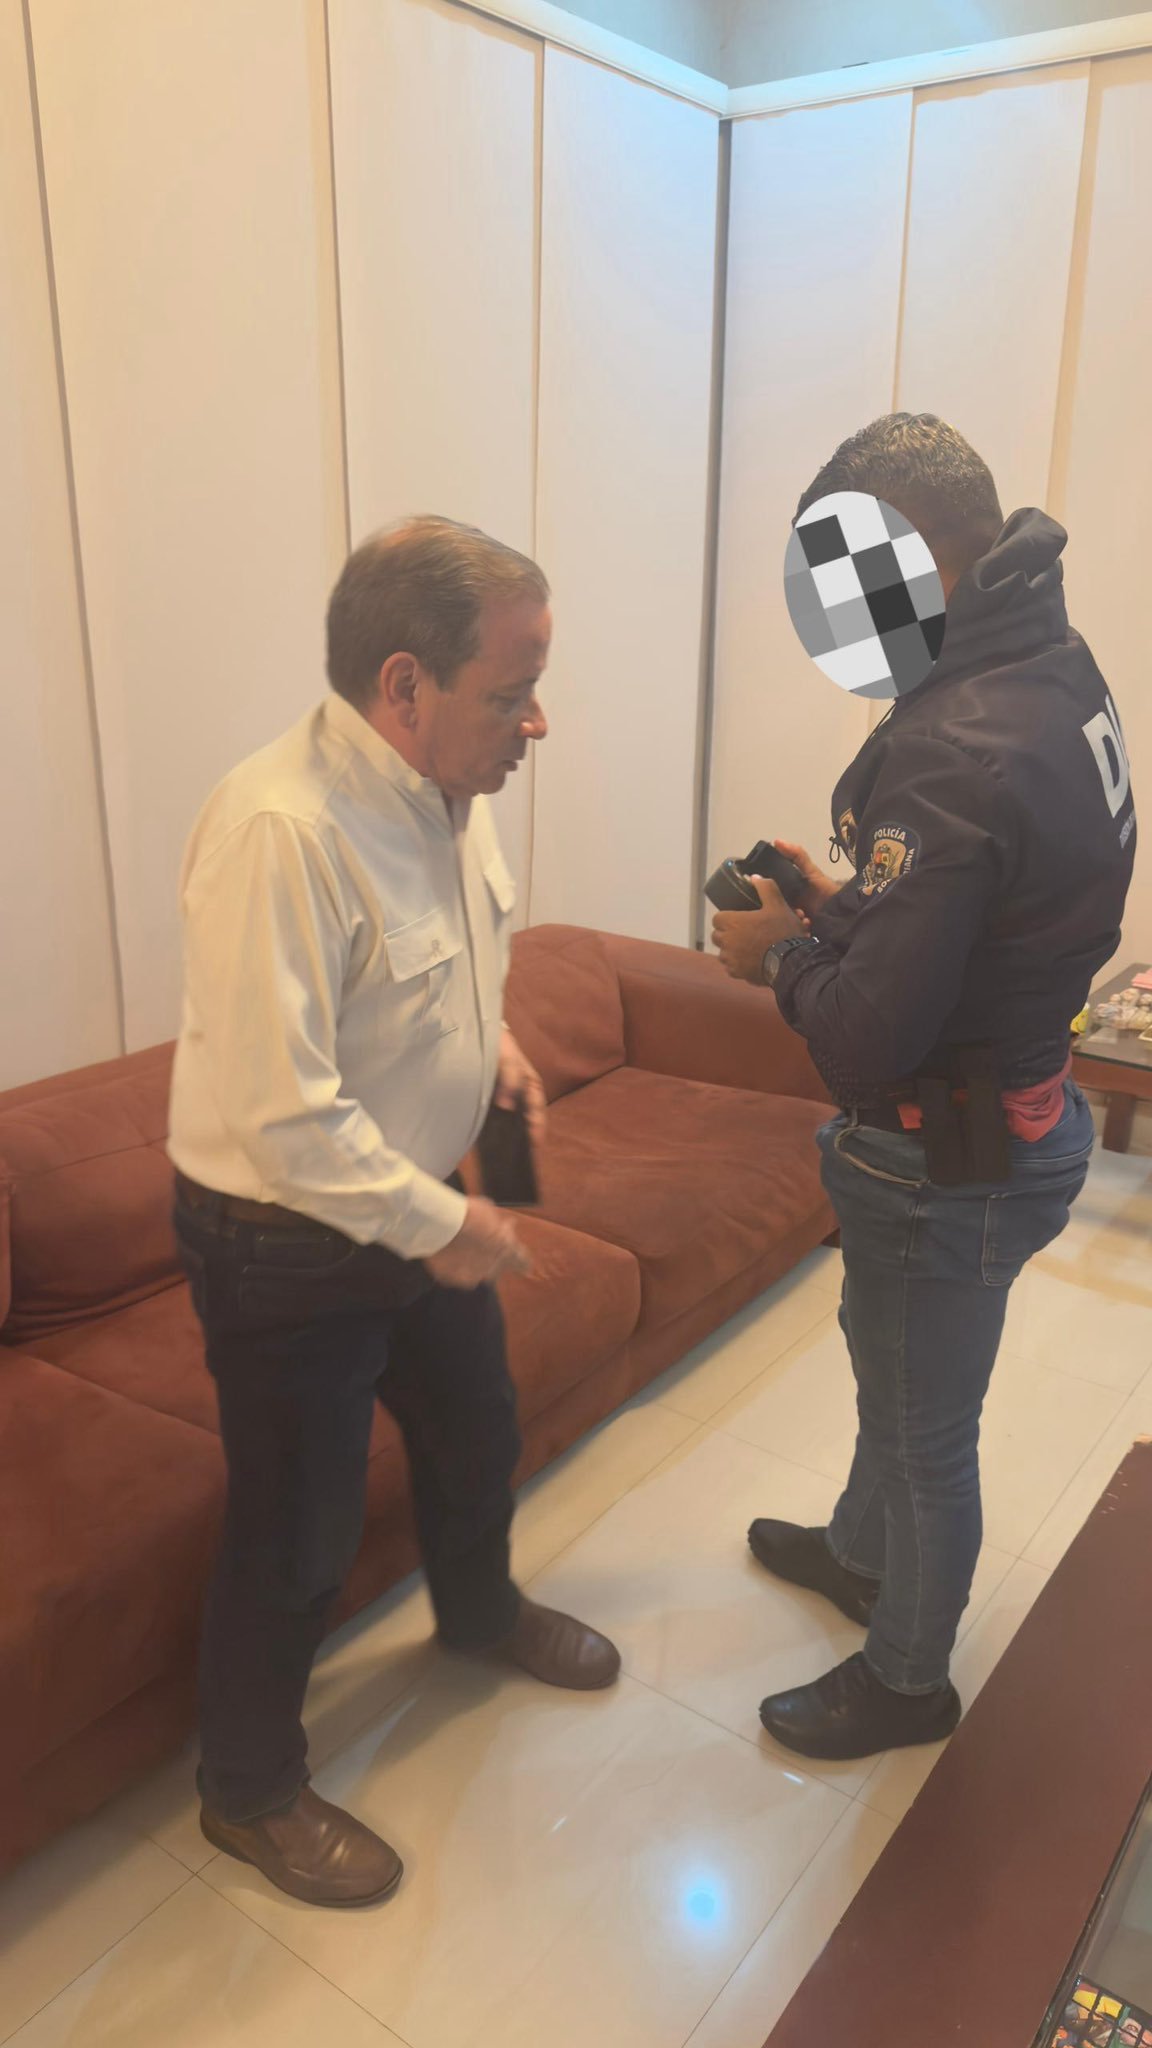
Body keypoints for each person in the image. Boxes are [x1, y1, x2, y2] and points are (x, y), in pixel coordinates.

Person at [169, 516, 620, 1908]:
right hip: (287, 1243)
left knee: (477, 1429)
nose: (536, 723)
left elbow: (441, 974)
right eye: (510, 693)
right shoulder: (281, 829)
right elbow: (285, 1115)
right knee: (298, 1526)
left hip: (415, 1207)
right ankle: (247, 1790)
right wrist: (451, 1226)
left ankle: (478, 1615)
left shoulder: (448, 791)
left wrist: (497, 1051)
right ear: (405, 684)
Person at [712, 414, 1136, 1761]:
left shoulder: (954, 745)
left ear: (920, 564)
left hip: (940, 1149)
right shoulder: (1050, 664)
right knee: (891, 1372)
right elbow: (980, 911)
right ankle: (858, 1553)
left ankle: (908, 1681)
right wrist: (849, 902)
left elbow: (860, 1041)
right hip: (1014, 1099)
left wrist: (779, 954)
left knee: (922, 1429)